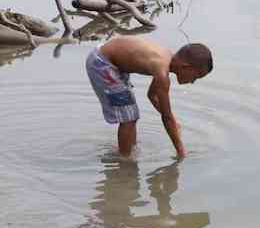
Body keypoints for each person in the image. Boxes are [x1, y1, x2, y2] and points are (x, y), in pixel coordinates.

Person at [85, 36, 213, 158]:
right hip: (102, 63)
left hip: (109, 60)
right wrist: (181, 151)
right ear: (186, 67)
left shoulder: (166, 60)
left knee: (130, 116)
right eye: (195, 77)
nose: (192, 82)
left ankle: (129, 150)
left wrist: (173, 120)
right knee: (129, 118)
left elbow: (152, 95)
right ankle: (124, 159)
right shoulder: (162, 72)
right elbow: (166, 117)